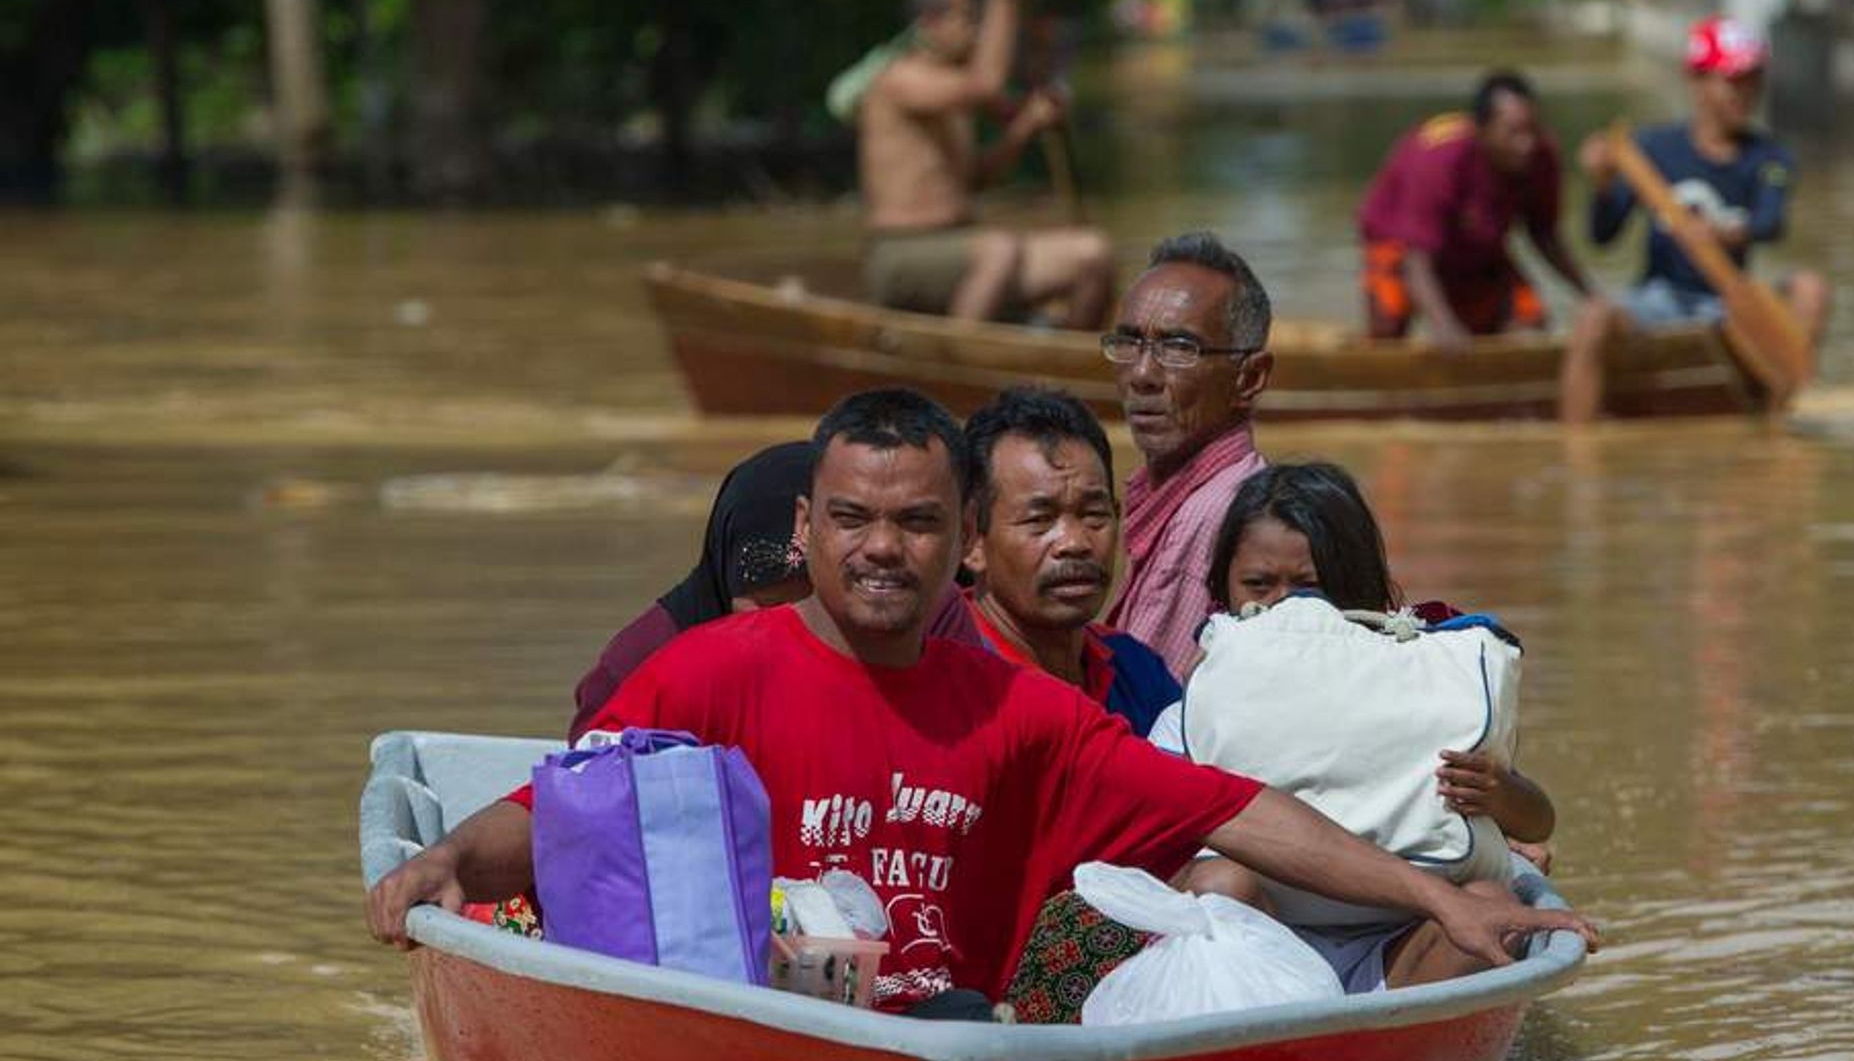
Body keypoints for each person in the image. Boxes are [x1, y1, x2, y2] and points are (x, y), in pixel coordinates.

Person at [366, 388, 1595, 1017]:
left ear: (956, 540)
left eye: (911, 523)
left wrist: (1437, 896)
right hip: (766, 1024)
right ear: (808, 528)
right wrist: (448, 859)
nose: (879, 552)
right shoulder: (711, 673)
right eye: (849, 521)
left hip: (965, 1027)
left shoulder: (1014, 712)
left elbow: (1235, 809)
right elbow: (573, 806)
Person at [1160, 462, 1559, 993]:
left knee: (1492, 904)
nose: (1285, 607)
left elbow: (1538, 821)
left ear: (1359, 588)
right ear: (1221, 590)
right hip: (1259, 956)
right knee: (1217, 883)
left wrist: (1497, 793)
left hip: (1404, 950)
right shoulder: (1193, 712)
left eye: (1310, 588)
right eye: (1259, 585)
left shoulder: (1426, 687)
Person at [566, 442, 981, 742]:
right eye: (769, 606)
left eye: (814, 602)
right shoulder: (639, 666)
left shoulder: (921, 613)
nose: (793, 623)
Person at [1561, 16, 1832, 424]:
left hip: (1727, 304)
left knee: (1811, 288)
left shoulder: (1772, 159)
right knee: (1593, 317)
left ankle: (1776, 419)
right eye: (1732, 80)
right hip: (1660, 298)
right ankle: (1576, 454)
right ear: (1698, 82)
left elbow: (1771, 224)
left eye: (1752, 79)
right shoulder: (1650, 149)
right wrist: (1600, 185)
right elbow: (1602, 237)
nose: (1745, 92)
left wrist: (1725, 234)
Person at [851, 0, 1113, 328]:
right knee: (999, 248)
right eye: (966, 18)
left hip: (960, 249)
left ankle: (1056, 375)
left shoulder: (950, 93)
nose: (974, 30)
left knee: (1093, 255)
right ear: (929, 23)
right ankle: (958, 363)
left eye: (976, 18)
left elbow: (976, 178)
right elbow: (986, 84)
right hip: (902, 254)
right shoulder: (900, 79)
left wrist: (1025, 127)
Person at [959, 386, 1181, 736]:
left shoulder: (1137, 672)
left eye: (1094, 514)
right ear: (970, 539)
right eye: (1039, 519)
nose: (1075, 543)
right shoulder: (945, 680)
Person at [1101, 231, 1272, 679]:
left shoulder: (1208, 517)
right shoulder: (1223, 492)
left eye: (1179, 348)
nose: (1141, 375)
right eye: (1129, 343)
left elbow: (1140, 712)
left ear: (1249, 378)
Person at [1357, 71, 1602, 348]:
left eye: (1531, 130)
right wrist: (1444, 325)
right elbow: (1416, 259)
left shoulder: (1541, 156)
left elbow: (1544, 234)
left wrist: (1591, 296)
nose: (1526, 144)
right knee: (1389, 327)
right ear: (1481, 130)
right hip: (1401, 244)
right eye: (1513, 133)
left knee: (1530, 323)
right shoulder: (1441, 159)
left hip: (1475, 248)